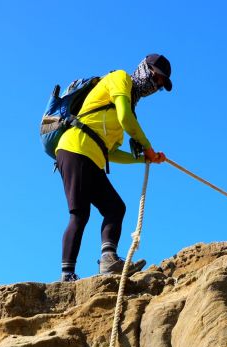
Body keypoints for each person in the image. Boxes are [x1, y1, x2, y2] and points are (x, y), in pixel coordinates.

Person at [55, 54, 172, 282]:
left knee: (115, 207)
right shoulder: (120, 79)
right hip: (75, 148)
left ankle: (108, 260)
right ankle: (66, 275)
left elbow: (111, 152)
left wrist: (144, 160)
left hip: (93, 157)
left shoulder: (128, 106)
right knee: (79, 213)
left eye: (159, 84)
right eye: (156, 78)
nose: (155, 85)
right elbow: (126, 118)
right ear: (144, 69)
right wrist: (147, 148)